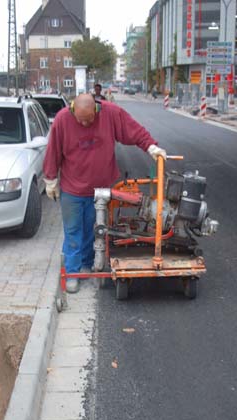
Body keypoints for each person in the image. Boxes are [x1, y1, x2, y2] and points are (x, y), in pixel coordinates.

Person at [43, 94, 167, 293]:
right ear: (73, 110)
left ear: (96, 110)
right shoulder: (62, 119)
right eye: (80, 119)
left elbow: (133, 130)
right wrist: (50, 180)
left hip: (101, 189)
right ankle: (73, 273)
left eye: (89, 119)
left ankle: (89, 264)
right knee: (73, 230)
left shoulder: (111, 113)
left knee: (95, 229)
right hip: (72, 189)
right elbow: (53, 151)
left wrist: (151, 146)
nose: (84, 123)